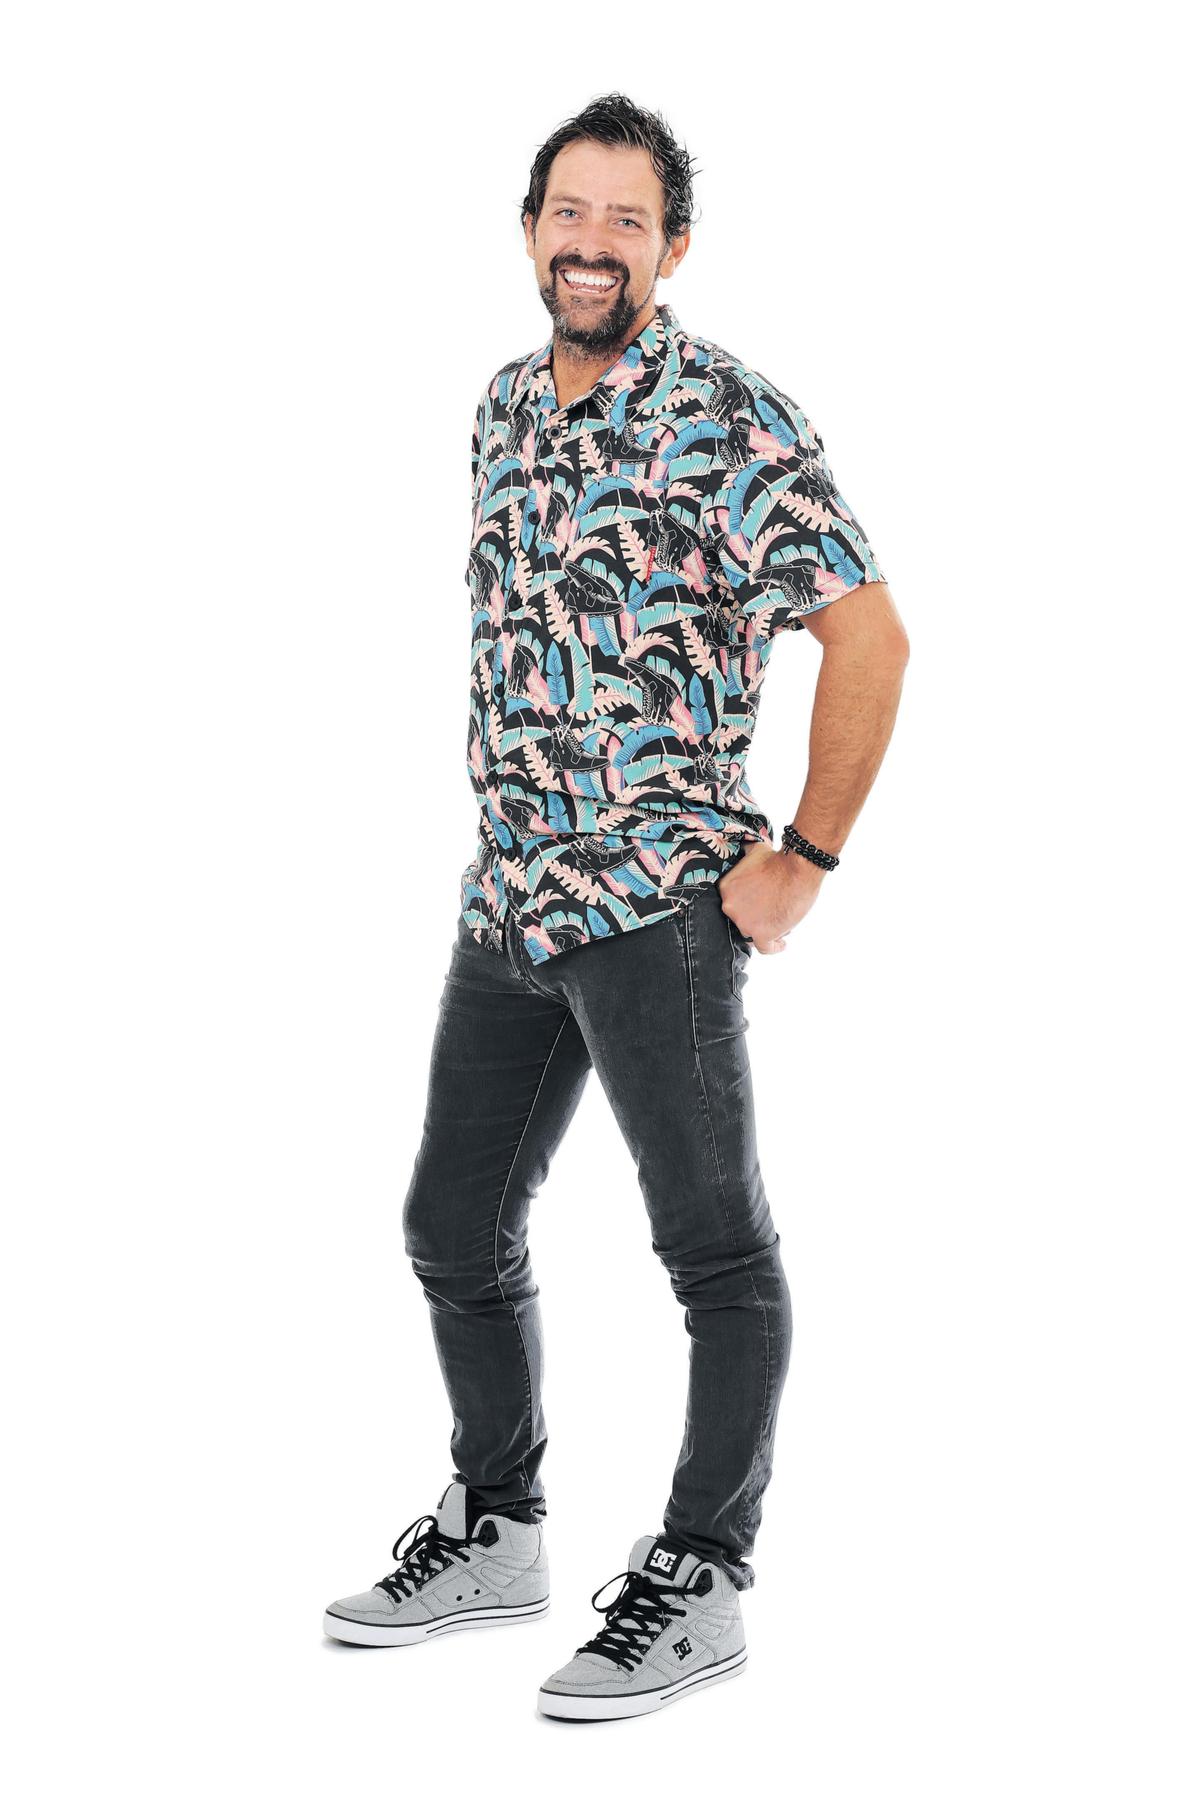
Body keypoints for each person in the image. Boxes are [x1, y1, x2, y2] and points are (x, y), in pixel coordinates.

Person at [324, 92, 910, 1722]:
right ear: (531, 232)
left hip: (658, 909)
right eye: (568, 214)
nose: (593, 244)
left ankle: (704, 1577)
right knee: (452, 1228)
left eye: (627, 221)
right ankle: (499, 1528)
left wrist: (804, 859)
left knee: (715, 1253)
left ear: (673, 248)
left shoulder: (733, 418)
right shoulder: (504, 407)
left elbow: (871, 638)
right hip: (510, 901)